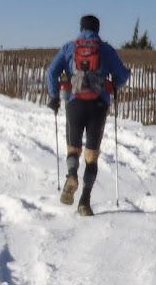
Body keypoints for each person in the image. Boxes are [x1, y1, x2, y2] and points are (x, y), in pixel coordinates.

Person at [46, 15, 130, 216]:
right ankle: (84, 201)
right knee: (92, 156)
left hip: (75, 104)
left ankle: (72, 174)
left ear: (81, 28)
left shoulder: (70, 48)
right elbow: (123, 75)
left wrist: (54, 96)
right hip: (98, 105)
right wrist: (113, 86)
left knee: (73, 148)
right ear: (98, 29)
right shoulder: (106, 49)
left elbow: (51, 72)